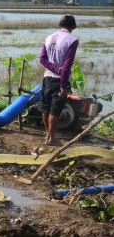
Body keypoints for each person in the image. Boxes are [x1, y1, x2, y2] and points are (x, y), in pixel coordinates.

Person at [39, 14, 79, 146]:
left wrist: (55, 69)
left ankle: (48, 135)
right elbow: (67, 66)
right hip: (59, 80)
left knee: (46, 107)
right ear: (73, 26)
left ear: (59, 25)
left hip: (47, 77)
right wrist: (63, 86)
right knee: (55, 109)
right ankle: (51, 137)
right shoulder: (72, 40)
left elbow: (42, 59)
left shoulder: (49, 37)